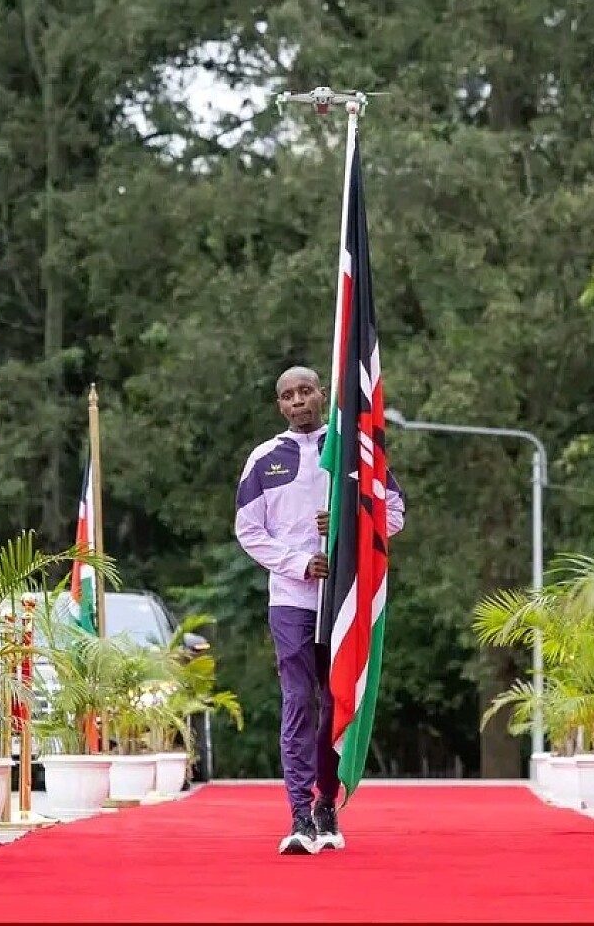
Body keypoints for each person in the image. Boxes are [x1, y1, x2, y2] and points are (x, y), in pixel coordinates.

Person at [234, 366, 405, 855]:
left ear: (322, 394)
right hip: (291, 600)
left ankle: (327, 804)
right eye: (287, 396)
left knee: (334, 703)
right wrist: (298, 564)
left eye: (305, 391)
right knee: (297, 703)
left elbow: (393, 513)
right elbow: (248, 530)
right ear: (279, 405)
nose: (297, 402)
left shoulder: (353, 450)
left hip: (344, 600)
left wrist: (350, 522)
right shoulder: (264, 459)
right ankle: (298, 815)